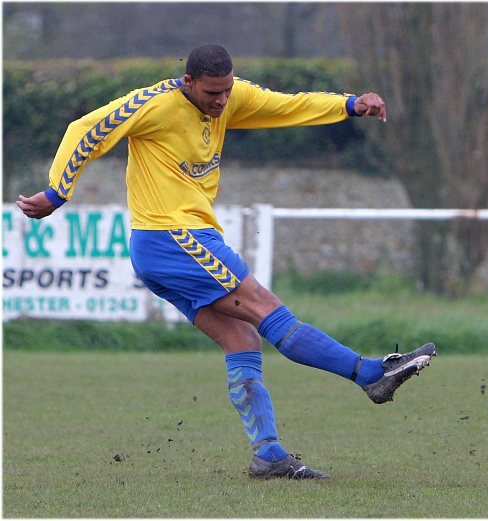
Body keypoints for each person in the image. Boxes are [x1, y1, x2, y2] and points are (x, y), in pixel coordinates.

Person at [16, 43, 435, 480]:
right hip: (171, 236)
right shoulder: (153, 105)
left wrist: (350, 104)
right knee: (266, 308)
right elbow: (86, 128)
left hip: (167, 246)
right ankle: (369, 374)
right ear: (189, 82)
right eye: (212, 92)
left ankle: (268, 455)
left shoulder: (230, 99)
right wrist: (57, 191)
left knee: (242, 339)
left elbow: (287, 106)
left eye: (227, 91)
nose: (221, 101)